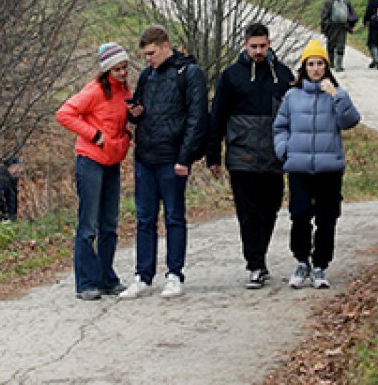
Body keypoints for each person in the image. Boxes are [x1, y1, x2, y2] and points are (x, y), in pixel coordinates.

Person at [119, 25, 209, 299]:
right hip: (145, 156)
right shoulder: (146, 75)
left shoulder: (190, 73)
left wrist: (186, 156)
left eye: (152, 53)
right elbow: (139, 112)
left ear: (166, 46)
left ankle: (174, 274)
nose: (148, 59)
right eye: (145, 54)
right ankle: (143, 275)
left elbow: (197, 117)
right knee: (144, 218)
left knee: (173, 217)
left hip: (172, 158)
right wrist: (134, 113)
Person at [206, 22, 294, 289]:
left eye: (262, 46)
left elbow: (295, 116)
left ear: (270, 45)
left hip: (274, 154)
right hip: (241, 155)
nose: (258, 51)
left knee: (270, 210)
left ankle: (261, 257)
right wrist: (213, 155)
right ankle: (255, 264)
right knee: (248, 213)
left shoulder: (283, 74)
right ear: (244, 45)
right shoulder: (231, 75)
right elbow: (218, 116)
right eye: (253, 46)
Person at [273, 39, 361, 290]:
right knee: (299, 215)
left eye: (320, 63)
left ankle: (321, 264)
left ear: (326, 66)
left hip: (328, 168)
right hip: (299, 167)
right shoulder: (292, 95)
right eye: (310, 64)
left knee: (328, 217)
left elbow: (351, 121)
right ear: (303, 67)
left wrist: (337, 95)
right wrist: (284, 150)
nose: (315, 69)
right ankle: (302, 261)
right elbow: (280, 126)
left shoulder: (336, 95)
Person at [56, 43, 134, 300]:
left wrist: (129, 129)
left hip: (112, 162)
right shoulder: (94, 91)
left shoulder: (125, 91)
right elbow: (65, 113)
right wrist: (95, 135)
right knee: (88, 224)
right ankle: (86, 282)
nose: (122, 73)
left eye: (124, 68)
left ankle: (106, 278)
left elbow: (121, 119)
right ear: (107, 69)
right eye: (117, 69)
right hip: (90, 161)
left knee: (109, 224)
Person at [319, 0, 356, 71]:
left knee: (331, 44)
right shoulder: (346, 1)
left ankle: (331, 63)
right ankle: (339, 65)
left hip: (331, 26)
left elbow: (324, 15)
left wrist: (323, 27)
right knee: (341, 45)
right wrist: (350, 26)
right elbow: (352, 15)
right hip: (343, 26)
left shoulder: (328, 2)